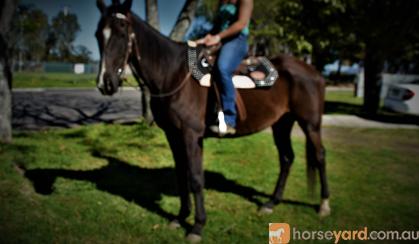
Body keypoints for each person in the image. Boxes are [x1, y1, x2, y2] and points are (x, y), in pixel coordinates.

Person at [197, 0, 253, 135]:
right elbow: (217, 27)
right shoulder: (222, 1)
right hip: (221, 40)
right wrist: (206, 38)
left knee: (222, 68)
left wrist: (218, 37)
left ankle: (229, 120)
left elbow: (241, 24)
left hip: (237, 40)